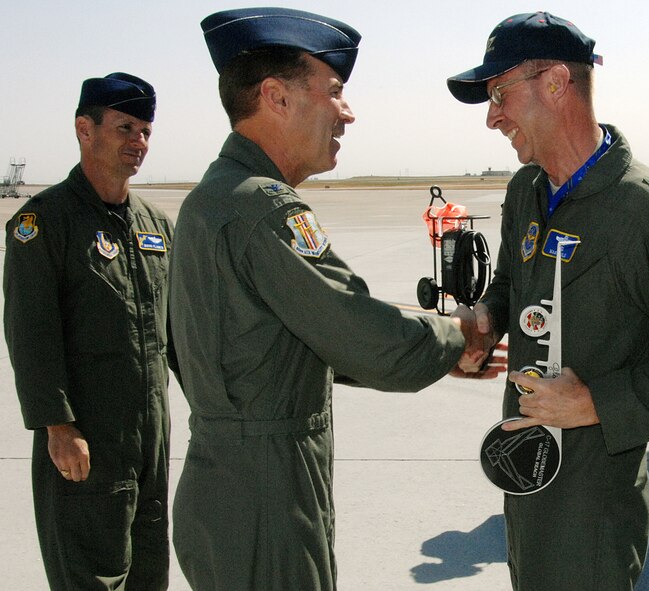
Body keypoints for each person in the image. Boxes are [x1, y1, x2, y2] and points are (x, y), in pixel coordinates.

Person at [170, 8, 486, 590]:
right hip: (267, 500)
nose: (348, 111)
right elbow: (363, 338)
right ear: (276, 98)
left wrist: (439, 357)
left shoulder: (213, 199)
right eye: (335, 92)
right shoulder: (263, 207)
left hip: (232, 486)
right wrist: (460, 336)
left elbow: (282, 348)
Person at [447, 12, 649, 590]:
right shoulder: (527, 190)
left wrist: (596, 404)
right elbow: (512, 283)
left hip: (593, 502)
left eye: (499, 94)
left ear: (556, 82)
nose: (492, 118)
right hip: (527, 476)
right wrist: (486, 321)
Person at [3, 73, 175, 589]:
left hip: (151, 437)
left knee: (149, 573)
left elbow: (176, 333)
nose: (139, 142)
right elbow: (31, 333)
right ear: (85, 128)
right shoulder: (45, 222)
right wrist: (58, 426)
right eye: (125, 128)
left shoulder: (154, 225)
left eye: (145, 131)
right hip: (86, 439)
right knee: (90, 578)